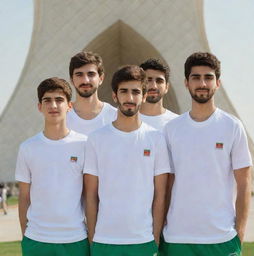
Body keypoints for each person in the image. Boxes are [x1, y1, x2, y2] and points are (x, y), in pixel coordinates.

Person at [160, 52, 252, 256]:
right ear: (186, 83)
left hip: (221, 238)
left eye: (208, 77)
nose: (202, 83)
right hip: (177, 237)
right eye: (196, 77)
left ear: (217, 83)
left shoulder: (232, 126)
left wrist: (240, 232)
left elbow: (245, 183)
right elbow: (167, 182)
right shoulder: (172, 129)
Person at [84, 65, 170, 256]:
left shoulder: (156, 139)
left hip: (143, 241)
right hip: (104, 241)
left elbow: (160, 195)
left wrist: (155, 237)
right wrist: (93, 238)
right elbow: (91, 196)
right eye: (124, 91)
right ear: (114, 96)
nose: (130, 98)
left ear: (144, 96)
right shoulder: (96, 139)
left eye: (136, 92)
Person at [15, 78, 89, 256]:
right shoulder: (28, 147)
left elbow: (90, 195)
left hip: (75, 239)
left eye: (59, 100)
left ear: (69, 106)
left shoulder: (84, 144)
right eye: (47, 100)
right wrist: (26, 235)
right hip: (36, 240)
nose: (53, 105)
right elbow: (24, 196)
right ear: (39, 106)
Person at [67, 51, 116, 135]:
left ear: (101, 79)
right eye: (79, 74)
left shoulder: (114, 116)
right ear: (72, 80)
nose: (85, 80)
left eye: (91, 74)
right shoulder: (62, 116)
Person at [139, 58, 178, 131]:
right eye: (148, 80)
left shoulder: (177, 123)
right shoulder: (127, 121)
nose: (154, 86)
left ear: (166, 87)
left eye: (159, 81)